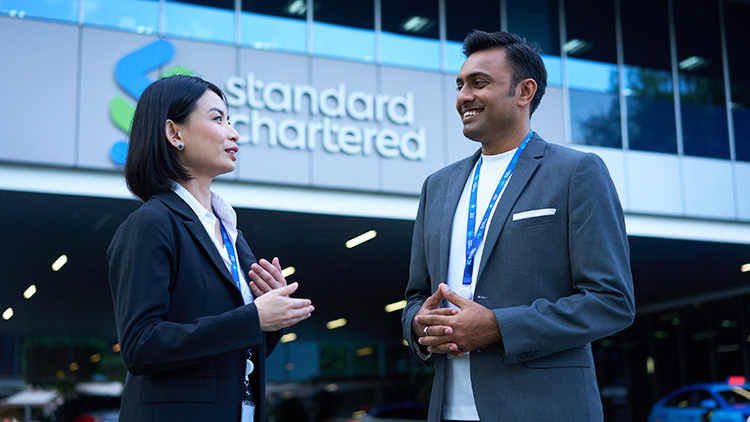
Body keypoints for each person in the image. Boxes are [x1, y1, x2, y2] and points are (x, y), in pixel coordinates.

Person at [401, 30, 635, 421]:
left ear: (524, 92)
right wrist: (419, 326)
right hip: (448, 409)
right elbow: (414, 296)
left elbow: (611, 301)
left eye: (479, 83)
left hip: (544, 408)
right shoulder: (437, 187)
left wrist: (497, 327)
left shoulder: (576, 172)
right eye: (460, 85)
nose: (464, 97)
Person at [107, 75, 314, 422]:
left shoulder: (229, 231)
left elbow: (237, 350)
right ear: (174, 134)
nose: (233, 133)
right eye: (218, 119)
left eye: (230, 121)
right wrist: (253, 318)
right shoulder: (153, 222)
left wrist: (271, 319)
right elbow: (140, 345)